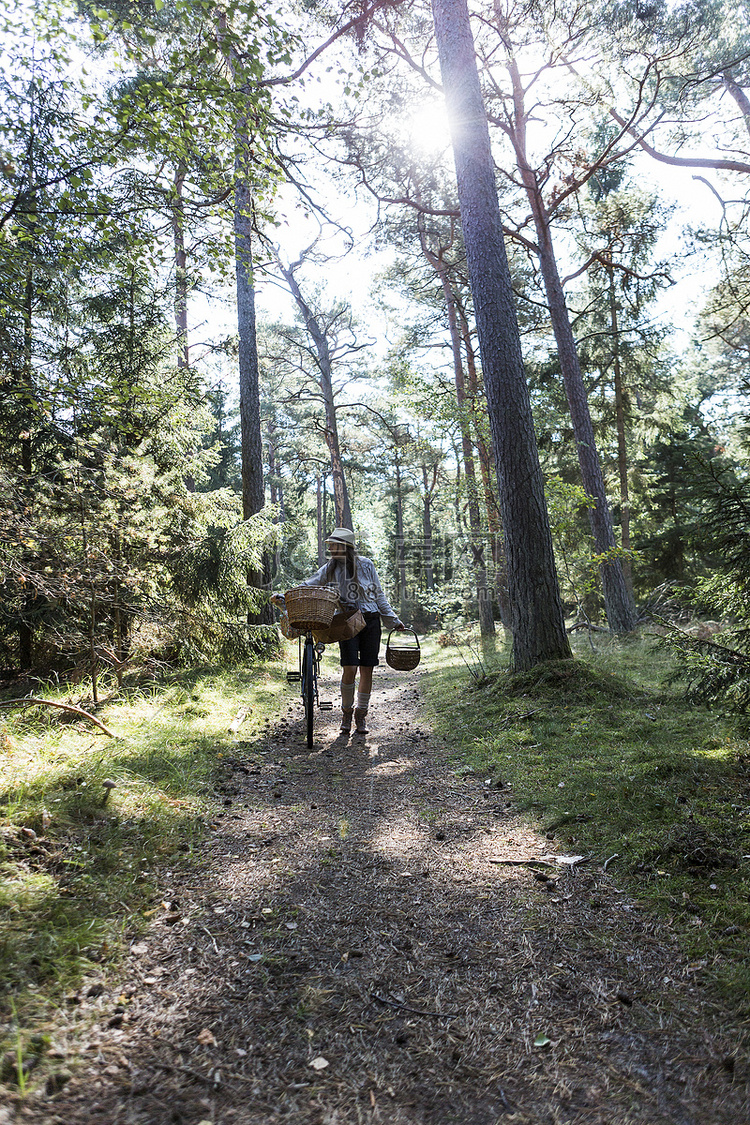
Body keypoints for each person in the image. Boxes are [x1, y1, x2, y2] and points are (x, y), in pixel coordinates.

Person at [295, 528, 405, 735]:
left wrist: (393, 620)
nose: (331, 548)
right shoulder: (330, 568)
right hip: (347, 622)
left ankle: (360, 715)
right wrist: (289, 595)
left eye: (335, 545)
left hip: (371, 621)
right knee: (350, 668)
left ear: (346, 547)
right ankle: (346, 713)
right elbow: (310, 584)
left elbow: (378, 594)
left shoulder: (366, 565)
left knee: (367, 669)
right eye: (330, 545)